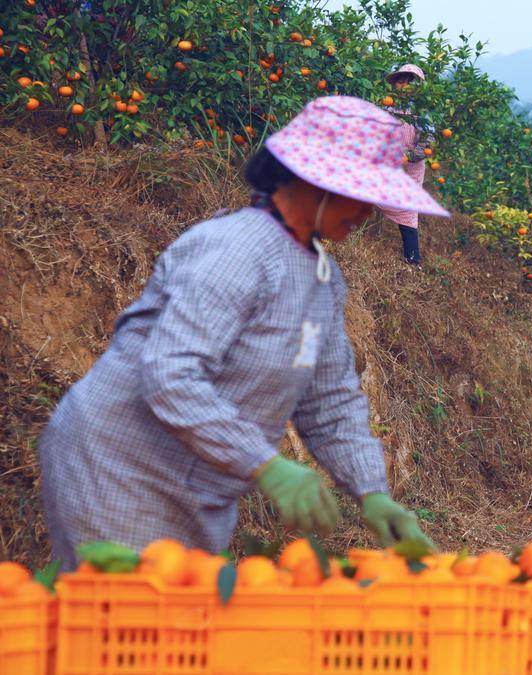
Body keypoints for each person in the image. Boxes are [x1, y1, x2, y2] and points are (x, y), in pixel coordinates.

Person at [37, 96, 449, 570]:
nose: (369, 211)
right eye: (362, 193)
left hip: (201, 484)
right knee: (128, 619)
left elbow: (330, 400)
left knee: (181, 626)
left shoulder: (322, 279)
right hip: (118, 466)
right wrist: (266, 465)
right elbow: (170, 375)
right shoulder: (233, 250)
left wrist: (372, 491)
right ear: (314, 181)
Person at [378, 63, 437, 267]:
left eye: (407, 82)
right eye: (400, 81)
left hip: (410, 166)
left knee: (407, 210)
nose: (402, 86)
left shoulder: (422, 112)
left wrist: (410, 155)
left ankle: (413, 260)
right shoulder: (388, 106)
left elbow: (428, 141)